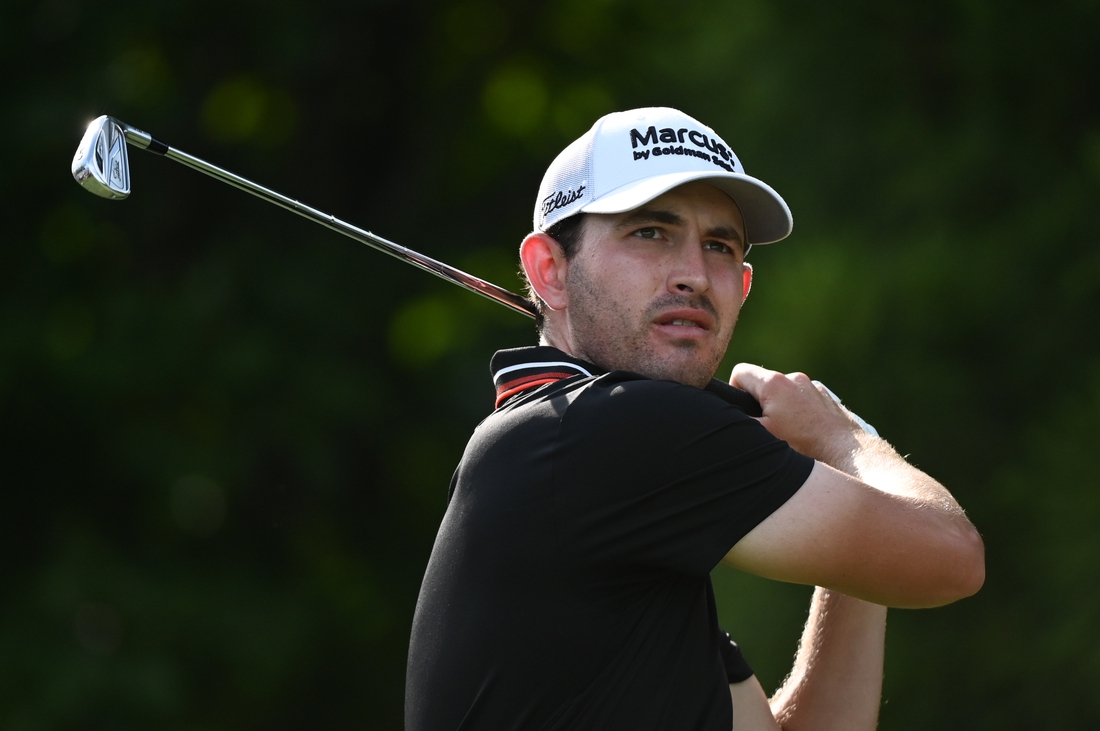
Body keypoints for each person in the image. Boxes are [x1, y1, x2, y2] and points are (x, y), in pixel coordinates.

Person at [405, 107, 984, 730]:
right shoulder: (609, 430)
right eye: (650, 232)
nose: (694, 276)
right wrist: (847, 439)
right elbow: (952, 557)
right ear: (552, 271)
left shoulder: (603, 483)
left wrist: (845, 475)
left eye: (719, 246)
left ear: (744, 283)